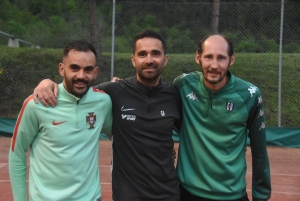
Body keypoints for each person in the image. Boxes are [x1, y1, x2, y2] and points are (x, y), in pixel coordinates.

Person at [32, 30, 182, 201]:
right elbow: (77, 86)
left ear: (165, 59)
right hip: (127, 196)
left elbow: (191, 134)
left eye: (155, 54)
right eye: (142, 54)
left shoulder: (174, 96)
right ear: (133, 60)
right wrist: (48, 83)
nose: (149, 60)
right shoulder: (112, 92)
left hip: (168, 194)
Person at [9, 40, 112, 201]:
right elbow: (17, 153)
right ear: (62, 69)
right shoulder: (37, 103)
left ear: (96, 72)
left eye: (88, 69)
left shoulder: (103, 102)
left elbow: (120, 137)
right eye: (74, 68)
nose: (81, 76)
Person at [173, 35, 271, 201]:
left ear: (231, 59)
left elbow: (259, 149)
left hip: (232, 195)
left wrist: (260, 195)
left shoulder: (250, 95)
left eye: (221, 58)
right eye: (208, 57)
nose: (214, 65)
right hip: (187, 193)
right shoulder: (183, 85)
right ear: (198, 57)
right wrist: (117, 87)